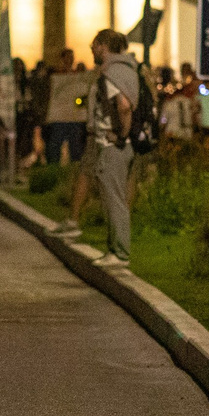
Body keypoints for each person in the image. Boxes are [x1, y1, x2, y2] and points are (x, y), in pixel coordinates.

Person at [69, 28, 139, 264]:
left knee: (114, 199)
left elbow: (124, 106)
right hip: (117, 145)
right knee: (114, 197)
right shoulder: (126, 69)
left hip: (114, 146)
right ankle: (115, 251)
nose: (91, 50)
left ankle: (119, 253)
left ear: (103, 45)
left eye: (93, 46)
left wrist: (119, 136)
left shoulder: (113, 73)